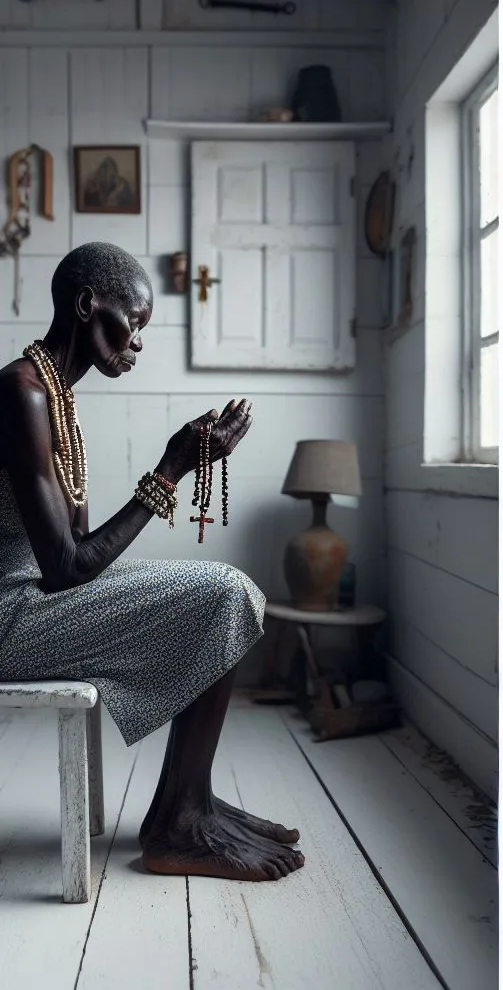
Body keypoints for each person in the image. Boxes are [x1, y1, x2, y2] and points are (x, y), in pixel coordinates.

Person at [0, 242, 305, 880]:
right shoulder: (22, 394)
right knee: (219, 592)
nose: (138, 342)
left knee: (221, 591)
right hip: (11, 619)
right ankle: (179, 821)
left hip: (36, 597)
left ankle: (189, 802)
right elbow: (66, 568)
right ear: (87, 305)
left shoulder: (52, 394)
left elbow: (73, 548)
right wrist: (172, 467)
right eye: (132, 322)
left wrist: (181, 463)